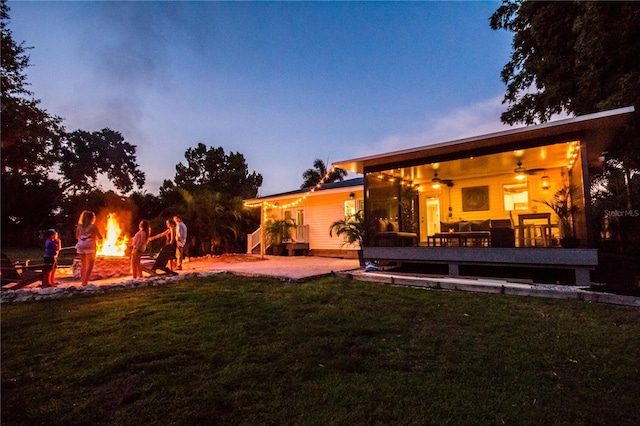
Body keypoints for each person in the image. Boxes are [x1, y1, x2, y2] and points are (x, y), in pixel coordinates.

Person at [75, 210, 103, 287]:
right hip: (90, 244)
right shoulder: (93, 226)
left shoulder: (79, 226)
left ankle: (82, 281)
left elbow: (77, 236)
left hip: (80, 244)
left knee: (83, 264)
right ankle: (85, 282)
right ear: (92, 218)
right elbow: (100, 237)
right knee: (90, 264)